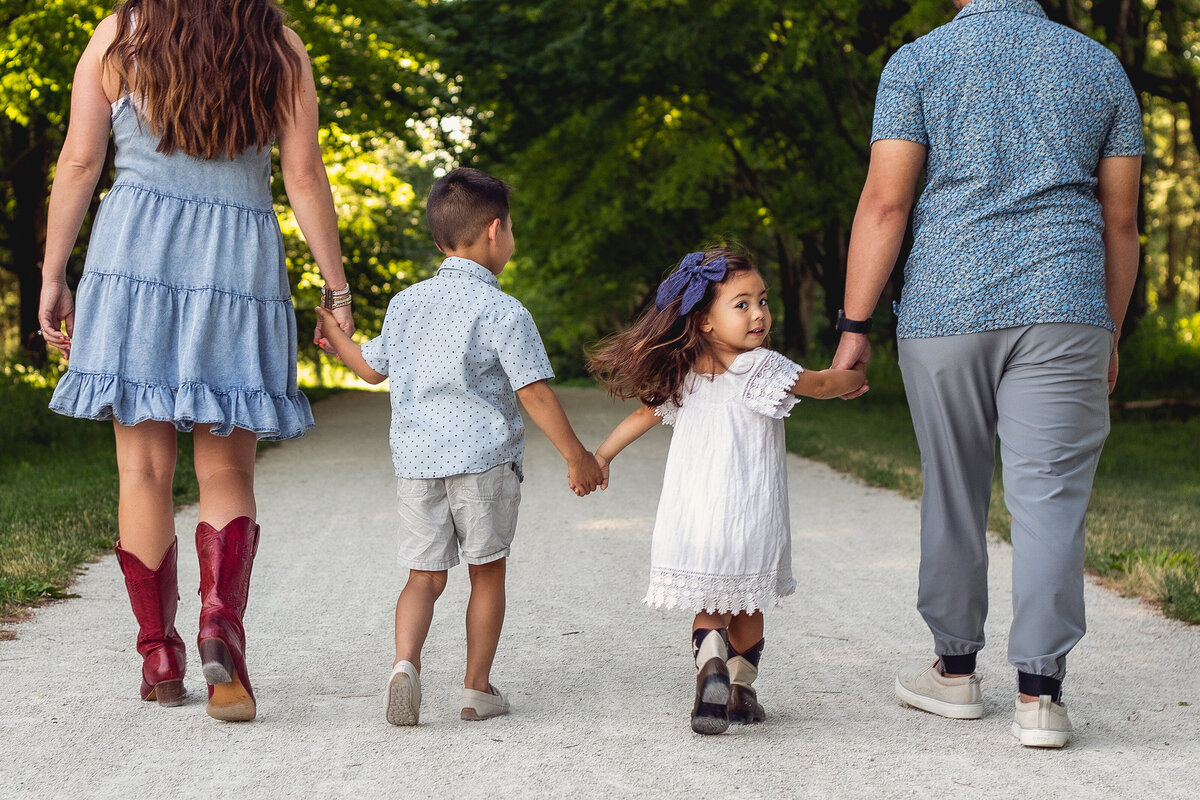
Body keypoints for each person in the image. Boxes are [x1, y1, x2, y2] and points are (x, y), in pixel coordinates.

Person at [832, 0, 1143, 748]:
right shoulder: (1098, 65)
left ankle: (954, 673)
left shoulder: (918, 62)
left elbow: (886, 202)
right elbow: (1121, 217)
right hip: (1065, 302)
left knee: (953, 486)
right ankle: (1040, 697)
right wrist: (1106, 325)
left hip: (946, 307)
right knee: (1051, 500)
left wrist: (853, 327)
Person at [37, 0, 352, 722]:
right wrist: (337, 291)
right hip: (237, 262)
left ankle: (159, 654)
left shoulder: (122, 34)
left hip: (133, 255)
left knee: (142, 470)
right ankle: (222, 633)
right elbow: (303, 175)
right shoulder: (277, 44)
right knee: (226, 470)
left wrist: (55, 274)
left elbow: (82, 159)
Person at [315, 167, 604, 726]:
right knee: (487, 572)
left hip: (419, 466)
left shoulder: (406, 304)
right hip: (484, 465)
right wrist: (578, 457)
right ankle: (476, 688)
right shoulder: (504, 310)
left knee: (422, 576)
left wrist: (338, 335)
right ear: (495, 231)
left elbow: (371, 370)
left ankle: (404, 665)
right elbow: (535, 393)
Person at [587, 246, 865, 735]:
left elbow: (640, 416)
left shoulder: (685, 376)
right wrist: (854, 377)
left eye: (762, 300)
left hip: (694, 519)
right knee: (750, 602)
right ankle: (741, 691)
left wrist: (603, 455)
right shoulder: (763, 368)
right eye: (742, 304)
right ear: (706, 321)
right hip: (751, 517)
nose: (758, 313)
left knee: (710, 607)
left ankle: (710, 664)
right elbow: (820, 384)